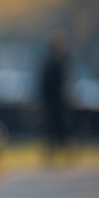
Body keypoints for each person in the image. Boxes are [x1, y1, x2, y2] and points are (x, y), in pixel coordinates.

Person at [37, 32, 71, 162]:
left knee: (60, 128)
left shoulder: (60, 62)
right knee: (50, 129)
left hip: (58, 101)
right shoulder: (49, 63)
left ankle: (63, 152)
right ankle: (50, 154)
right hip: (50, 101)